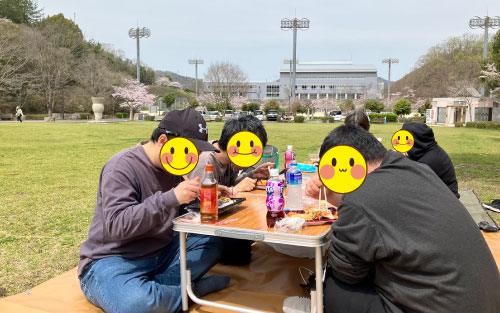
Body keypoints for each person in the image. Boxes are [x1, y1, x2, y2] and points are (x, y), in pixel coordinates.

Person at [305, 125, 500, 313]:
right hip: (483, 300)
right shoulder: (419, 169)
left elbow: (347, 271)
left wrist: (339, 198)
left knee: (332, 287)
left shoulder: (361, 196)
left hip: (440, 304)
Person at [78, 108, 230, 313]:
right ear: (163, 141)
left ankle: (161, 288)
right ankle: (190, 290)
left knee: (211, 242)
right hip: (114, 259)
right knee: (137, 304)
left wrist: (204, 195)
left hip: (161, 252)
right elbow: (117, 226)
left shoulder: (173, 168)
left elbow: (179, 208)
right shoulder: (121, 167)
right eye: (190, 151)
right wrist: (171, 198)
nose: (193, 158)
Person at [188, 115, 273, 265]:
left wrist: (252, 175)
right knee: (239, 255)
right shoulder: (205, 160)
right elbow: (197, 205)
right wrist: (235, 189)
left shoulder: (229, 158)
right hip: (198, 230)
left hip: (221, 220)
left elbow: (228, 187)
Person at [402, 122, 460, 198]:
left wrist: (400, 161)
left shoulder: (430, 160)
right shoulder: (427, 150)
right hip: (436, 195)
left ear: (416, 140)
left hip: (445, 201)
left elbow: (408, 181)